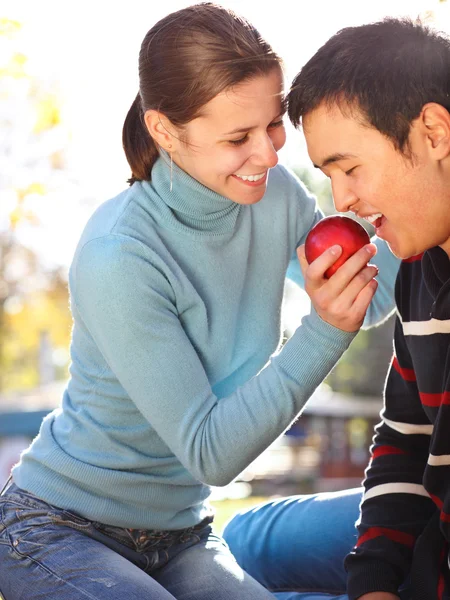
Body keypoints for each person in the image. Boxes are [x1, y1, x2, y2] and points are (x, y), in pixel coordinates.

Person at [0, 4, 398, 600]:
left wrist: (425, 202)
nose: (268, 154)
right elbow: (211, 451)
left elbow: (367, 297)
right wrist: (322, 331)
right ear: (165, 131)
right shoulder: (121, 253)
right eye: (238, 138)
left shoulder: (276, 197)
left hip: (181, 535)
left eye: (273, 125)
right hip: (57, 530)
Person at [223, 16, 450, 600]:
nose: (342, 201)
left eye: (350, 168)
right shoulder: (420, 269)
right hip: (423, 521)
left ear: (433, 132)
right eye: (329, 175)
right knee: (243, 539)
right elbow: (404, 439)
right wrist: (373, 583)